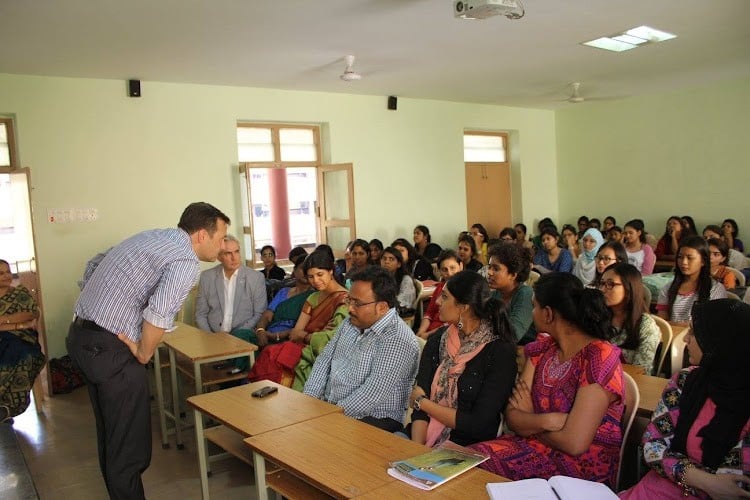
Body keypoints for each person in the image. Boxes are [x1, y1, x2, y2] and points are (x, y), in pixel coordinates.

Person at [67, 202, 230, 499]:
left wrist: (105, 307)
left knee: (112, 437)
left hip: (82, 338)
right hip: (110, 350)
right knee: (130, 449)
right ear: (201, 236)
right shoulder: (185, 261)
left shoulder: (153, 237)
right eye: (220, 239)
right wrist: (143, 353)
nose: (222, 248)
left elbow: (95, 264)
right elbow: (158, 313)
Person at [471, 272, 624, 487]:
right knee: (468, 462)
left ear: (549, 314)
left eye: (534, 306)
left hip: (579, 470)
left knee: (479, 476)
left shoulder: (599, 357)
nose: (532, 313)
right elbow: (513, 418)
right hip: (531, 449)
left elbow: (574, 443)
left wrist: (531, 420)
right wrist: (548, 421)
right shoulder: (542, 350)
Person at [619, 299, 750, 499]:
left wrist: (673, 466)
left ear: (719, 341)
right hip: (654, 491)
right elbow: (652, 447)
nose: (687, 339)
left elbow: (732, 488)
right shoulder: (685, 380)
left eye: (694, 332)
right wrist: (706, 480)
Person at [407, 271, 517, 447]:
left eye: (444, 297)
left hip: (469, 445)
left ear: (463, 307)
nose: (437, 302)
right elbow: (419, 408)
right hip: (423, 436)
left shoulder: (499, 351)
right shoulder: (438, 340)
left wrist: (422, 403)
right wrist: (417, 449)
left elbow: (479, 424)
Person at [304, 266, 420, 432]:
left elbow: (370, 396)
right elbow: (324, 360)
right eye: (349, 300)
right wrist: (309, 402)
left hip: (373, 420)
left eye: (357, 303)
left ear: (382, 307)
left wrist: (327, 417)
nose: (350, 308)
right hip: (331, 410)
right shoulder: (351, 322)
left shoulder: (397, 338)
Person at [248, 250, 349, 389]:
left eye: (320, 275)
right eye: (311, 277)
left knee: (277, 358)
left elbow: (330, 340)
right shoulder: (313, 298)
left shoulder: (344, 301)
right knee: (269, 354)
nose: (316, 281)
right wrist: (312, 335)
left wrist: (307, 336)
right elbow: (296, 333)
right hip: (303, 346)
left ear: (331, 271)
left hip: (324, 352)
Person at [194, 234, 266, 370]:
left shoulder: (255, 278)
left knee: (236, 357)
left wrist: (234, 337)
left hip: (242, 335)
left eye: (237, 252)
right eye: (228, 253)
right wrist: (211, 337)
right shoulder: (207, 277)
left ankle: (232, 379)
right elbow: (200, 314)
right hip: (214, 337)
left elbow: (259, 313)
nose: (234, 257)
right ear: (219, 256)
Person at [0, 259, 46, 423]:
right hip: (9, 337)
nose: (6, 276)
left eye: (7, 271)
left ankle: (9, 408)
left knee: (24, 355)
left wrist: (4, 320)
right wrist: (17, 324)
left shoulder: (20, 293)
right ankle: (4, 407)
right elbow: (24, 320)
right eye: (1, 273)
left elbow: (31, 314)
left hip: (22, 339)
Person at [599, 263, 661, 374]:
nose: (602, 289)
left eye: (610, 284)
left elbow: (641, 371)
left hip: (631, 385)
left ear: (628, 290)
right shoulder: (598, 317)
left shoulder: (646, 326)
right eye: (602, 283)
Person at [656, 236, 727, 325]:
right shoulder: (668, 288)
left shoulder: (715, 289)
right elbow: (662, 322)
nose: (684, 262)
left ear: (703, 261)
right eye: (680, 257)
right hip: (674, 335)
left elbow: (713, 323)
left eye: (690, 258)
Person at [252, 254, 313, 347]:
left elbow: (303, 329)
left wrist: (274, 336)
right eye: (302, 268)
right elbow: (267, 315)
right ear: (295, 271)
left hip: (289, 340)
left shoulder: (314, 296)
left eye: (309, 269)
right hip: (268, 333)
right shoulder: (283, 292)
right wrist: (260, 330)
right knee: (243, 335)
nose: (305, 272)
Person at [486, 243, 534, 342]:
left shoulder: (525, 294)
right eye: (489, 267)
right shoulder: (495, 294)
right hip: (503, 346)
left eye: (496, 269)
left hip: (526, 349)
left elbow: (513, 334)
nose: (489, 272)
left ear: (513, 275)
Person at [416, 250, 463, 340]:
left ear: (461, 266)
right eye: (444, 269)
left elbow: (453, 323)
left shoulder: (464, 290)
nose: (449, 273)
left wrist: (427, 335)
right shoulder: (441, 286)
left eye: (452, 268)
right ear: (439, 271)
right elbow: (430, 313)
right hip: (429, 332)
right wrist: (421, 332)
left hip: (446, 335)